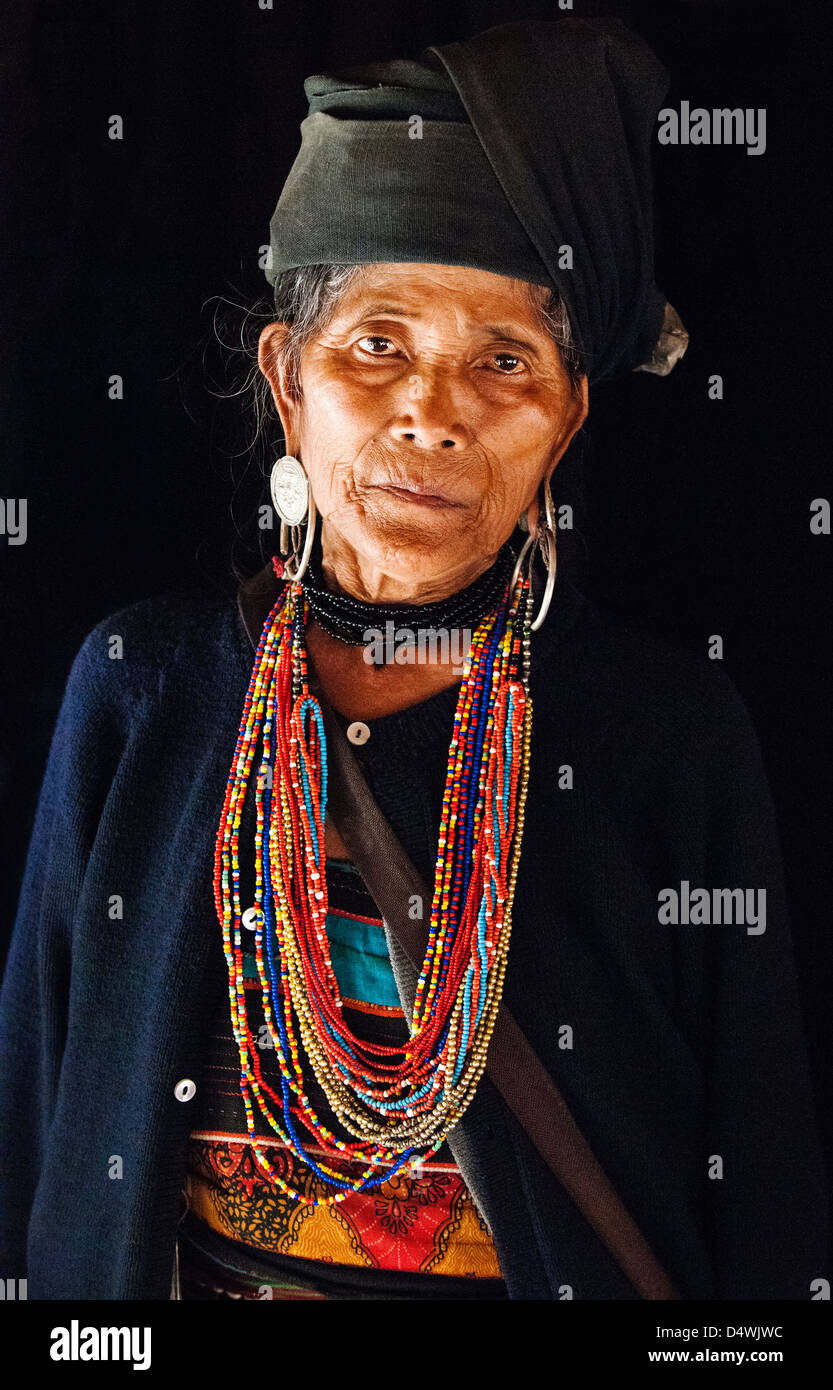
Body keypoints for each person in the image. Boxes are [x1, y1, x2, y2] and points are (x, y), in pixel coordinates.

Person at [0, 16, 827, 1301]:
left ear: (563, 422)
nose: (431, 415)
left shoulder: (664, 732)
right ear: (288, 380)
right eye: (374, 345)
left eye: (504, 363)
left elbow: (760, 1167)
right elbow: (38, 1102)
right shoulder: (140, 688)